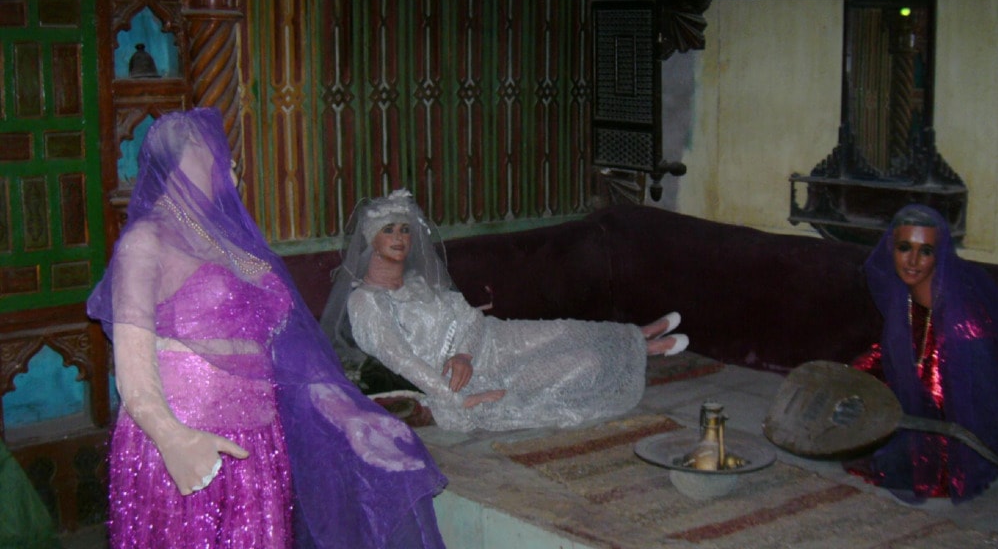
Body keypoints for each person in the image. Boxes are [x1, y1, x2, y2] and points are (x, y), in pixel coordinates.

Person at [87, 108, 446, 548]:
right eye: (221, 159)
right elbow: (132, 368)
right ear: (180, 162)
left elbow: (290, 356)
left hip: (258, 444)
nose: (232, 172)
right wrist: (170, 436)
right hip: (189, 439)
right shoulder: (146, 242)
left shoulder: (232, 245)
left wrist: (348, 414)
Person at [320, 189, 689, 433]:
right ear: (371, 240)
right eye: (389, 230)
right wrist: (455, 397)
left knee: (562, 330)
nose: (400, 238)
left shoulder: (417, 284)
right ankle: (644, 349)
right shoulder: (365, 302)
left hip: (490, 339)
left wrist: (464, 353)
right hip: (475, 376)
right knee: (587, 363)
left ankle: (638, 335)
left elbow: (469, 317)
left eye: (404, 229)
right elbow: (401, 359)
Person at [849, 204, 998, 503]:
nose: (913, 261)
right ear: (891, 248)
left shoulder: (963, 321)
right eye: (904, 247)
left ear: (939, 255)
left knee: (904, 460)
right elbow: (900, 353)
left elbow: (976, 400)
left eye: (926, 251)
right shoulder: (903, 295)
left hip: (950, 418)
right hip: (913, 396)